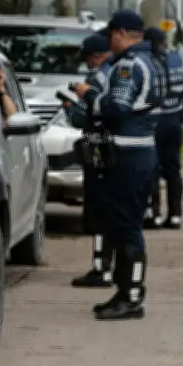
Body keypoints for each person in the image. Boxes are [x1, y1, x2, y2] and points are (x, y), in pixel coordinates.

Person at [71, 9, 164, 321]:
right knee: (124, 224)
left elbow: (116, 109)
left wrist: (89, 95)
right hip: (140, 152)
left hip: (127, 155)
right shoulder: (152, 61)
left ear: (123, 33)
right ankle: (125, 291)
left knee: (126, 227)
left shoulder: (128, 65)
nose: (109, 41)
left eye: (111, 34)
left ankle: (132, 296)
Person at [65, 33, 114, 288]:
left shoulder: (94, 79)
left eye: (87, 58)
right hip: (117, 149)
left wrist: (69, 108)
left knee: (98, 211)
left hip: (98, 150)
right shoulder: (117, 74)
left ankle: (101, 268)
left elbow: (81, 118)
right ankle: (112, 265)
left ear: (95, 57)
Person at [143, 26, 183, 230]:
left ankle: (153, 213)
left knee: (151, 168)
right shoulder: (178, 59)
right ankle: (175, 214)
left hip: (153, 121)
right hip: (174, 120)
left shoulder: (146, 62)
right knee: (173, 169)